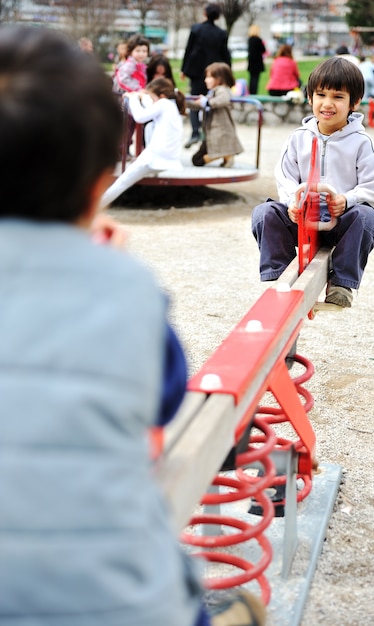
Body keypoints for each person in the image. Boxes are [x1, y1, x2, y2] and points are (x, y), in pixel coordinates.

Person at [0, 24, 266, 626]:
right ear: (100, 184)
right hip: (115, 605)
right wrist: (104, 271)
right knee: (164, 564)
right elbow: (165, 397)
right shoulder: (125, 290)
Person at [251, 57, 374, 308]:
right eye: (321, 95)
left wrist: (347, 200)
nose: (327, 103)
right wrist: (293, 201)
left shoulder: (361, 142)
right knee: (264, 213)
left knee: (368, 218)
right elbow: (284, 175)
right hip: (302, 216)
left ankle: (341, 282)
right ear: (310, 98)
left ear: (354, 103)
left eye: (338, 97)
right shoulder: (298, 138)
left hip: (341, 220)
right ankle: (281, 274)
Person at [101, 78, 185, 207]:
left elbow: (140, 117)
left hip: (155, 156)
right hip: (167, 157)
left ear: (161, 96)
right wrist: (143, 96)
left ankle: (93, 209)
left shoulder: (163, 103)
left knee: (122, 182)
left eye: (152, 97)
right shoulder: (171, 105)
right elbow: (150, 106)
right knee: (150, 127)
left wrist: (133, 98)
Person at [181, 3, 231, 148]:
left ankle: (195, 132)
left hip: (196, 71)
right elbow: (225, 54)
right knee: (210, 102)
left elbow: (189, 50)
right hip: (214, 73)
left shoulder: (196, 29)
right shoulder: (221, 33)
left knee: (196, 100)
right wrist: (228, 72)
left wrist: (184, 69)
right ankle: (206, 133)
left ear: (205, 13)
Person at [187, 62, 244, 168]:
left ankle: (223, 154)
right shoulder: (212, 93)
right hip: (210, 133)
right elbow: (199, 105)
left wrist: (207, 102)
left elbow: (222, 100)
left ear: (219, 78)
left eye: (209, 77)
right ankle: (225, 155)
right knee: (196, 159)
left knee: (198, 161)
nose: (205, 80)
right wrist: (185, 102)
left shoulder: (223, 90)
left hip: (219, 131)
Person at [247, 24, 266, 95]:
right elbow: (263, 50)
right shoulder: (259, 40)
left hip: (251, 62)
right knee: (256, 79)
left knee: (251, 78)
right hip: (258, 62)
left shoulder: (249, 40)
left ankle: (251, 91)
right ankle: (254, 92)